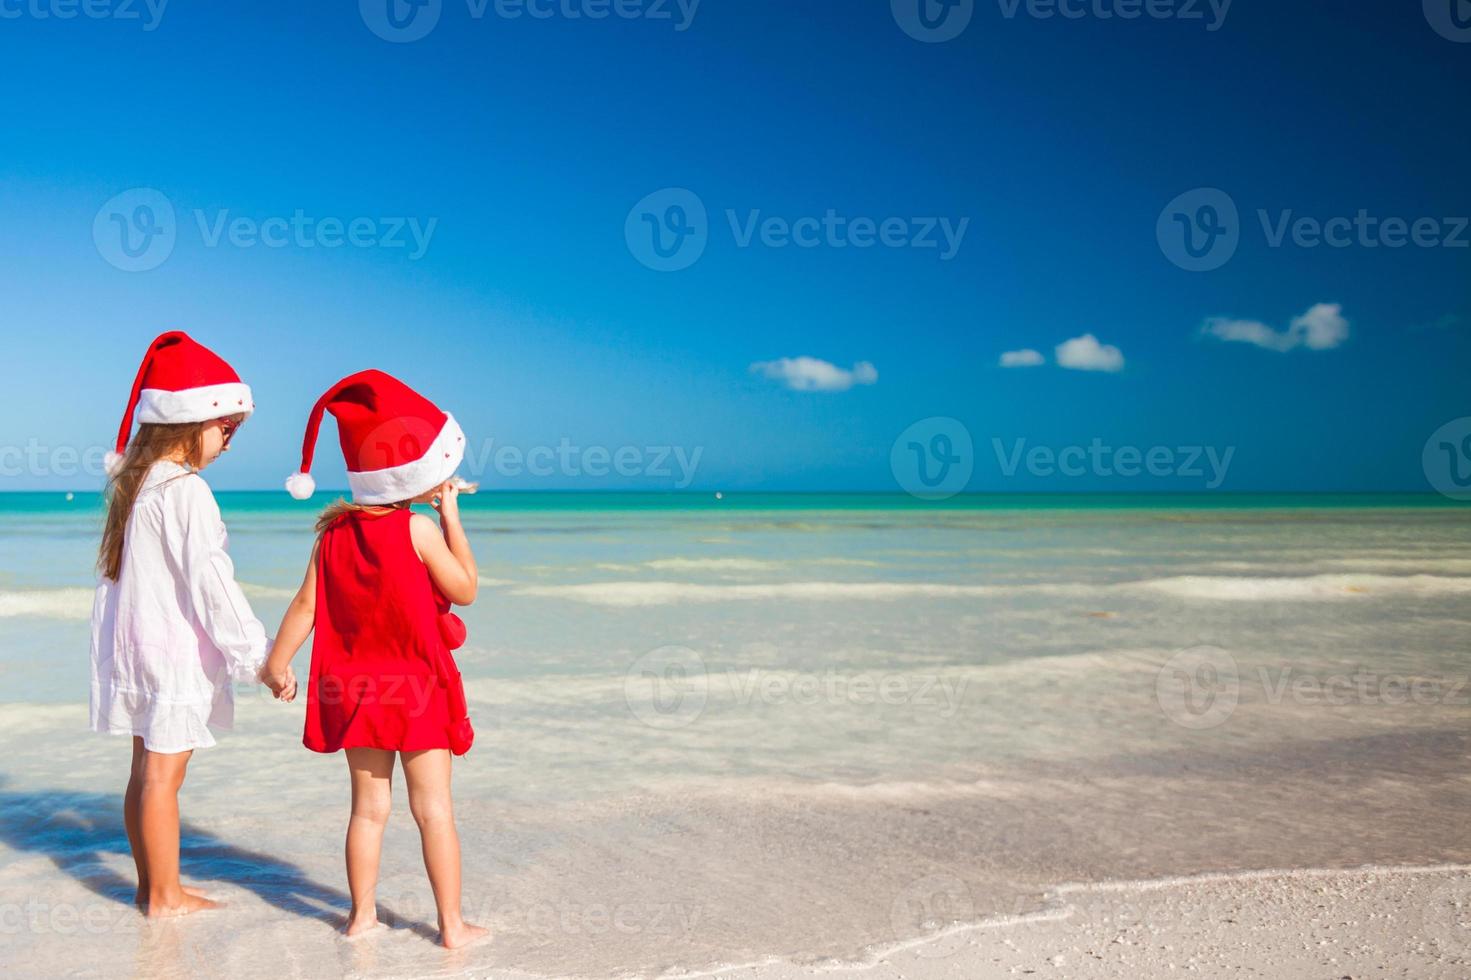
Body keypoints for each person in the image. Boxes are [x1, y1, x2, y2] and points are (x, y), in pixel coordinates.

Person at [259, 369, 486, 948]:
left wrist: (277, 665)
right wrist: (451, 514)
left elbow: (305, 607)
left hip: (357, 692)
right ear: (416, 475)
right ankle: (452, 928)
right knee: (433, 809)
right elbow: (464, 589)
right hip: (417, 689)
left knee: (368, 811)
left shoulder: (331, 535)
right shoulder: (418, 528)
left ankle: (361, 918)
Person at [90, 330, 267, 917]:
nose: (229, 442)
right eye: (226, 428)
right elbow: (212, 583)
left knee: (144, 773)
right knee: (164, 779)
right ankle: (164, 897)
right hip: (173, 657)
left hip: (141, 648)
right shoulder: (186, 491)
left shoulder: (139, 486)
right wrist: (256, 656)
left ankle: (149, 888)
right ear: (189, 421)